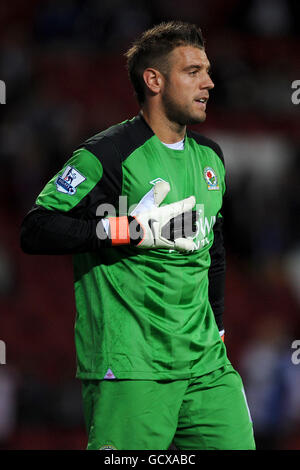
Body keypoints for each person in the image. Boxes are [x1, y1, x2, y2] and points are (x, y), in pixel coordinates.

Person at [20, 21, 256, 450]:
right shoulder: (106, 155)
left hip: (207, 368)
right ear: (154, 80)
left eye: (207, 70)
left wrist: (217, 328)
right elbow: (37, 228)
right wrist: (124, 229)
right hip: (132, 368)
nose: (209, 81)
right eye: (193, 71)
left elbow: (214, 251)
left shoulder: (211, 157)